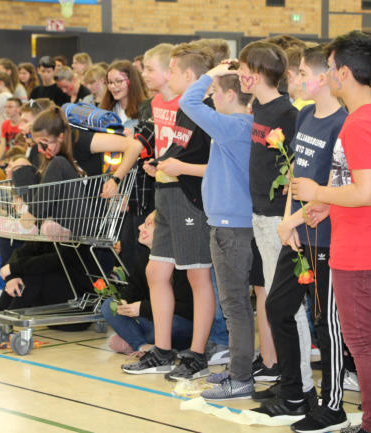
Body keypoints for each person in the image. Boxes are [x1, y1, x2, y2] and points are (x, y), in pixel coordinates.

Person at [290, 31, 371, 433]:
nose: (326, 76)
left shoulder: (360, 122)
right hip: (363, 239)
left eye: (330, 67)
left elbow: (366, 192)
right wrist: (327, 204)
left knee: (362, 342)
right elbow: (360, 187)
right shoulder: (369, 115)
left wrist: (317, 191)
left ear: (342, 73)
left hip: (359, 247)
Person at [252, 45, 351, 432]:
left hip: (325, 236)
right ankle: (295, 395)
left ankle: (332, 404)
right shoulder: (307, 114)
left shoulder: (342, 123)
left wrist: (294, 219)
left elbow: (331, 188)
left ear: (322, 78)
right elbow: (295, 174)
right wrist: (287, 220)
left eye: (302, 73)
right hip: (297, 233)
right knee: (277, 306)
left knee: (326, 324)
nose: (295, 79)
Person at [122, 43, 216, 380]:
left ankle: (198, 354)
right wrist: (159, 165)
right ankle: (162, 351)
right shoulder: (163, 106)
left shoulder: (203, 110)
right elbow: (174, 151)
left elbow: (214, 163)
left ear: (187, 75)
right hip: (165, 194)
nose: (146, 75)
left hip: (191, 198)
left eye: (163, 70)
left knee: (197, 276)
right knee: (156, 272)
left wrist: (178, 168)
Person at [174, 61, 253, 398]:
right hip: (226, 224)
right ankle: (238, 369)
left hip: (232, 228)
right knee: (234, 304)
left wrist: (211, 73)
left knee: (235, 305)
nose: (211, 99)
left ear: (231, 94)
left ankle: (242, 376)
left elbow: (187, 102)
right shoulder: (236, 125)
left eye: (216, 93)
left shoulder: (233, 125)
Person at [236, 40, 299, 382]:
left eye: (244, 69)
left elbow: (297, 164)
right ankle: (273, 363)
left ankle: (290, 373)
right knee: (265, 290)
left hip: (277, 215)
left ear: (258, 74)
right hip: (258, 211)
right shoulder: (257, 107)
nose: (240, 75)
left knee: (280, 297)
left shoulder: (287, 113)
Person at [102, 211, 193, 355]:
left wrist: (143, 308)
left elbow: (188, 309)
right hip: (152, 321)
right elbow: (133, 288)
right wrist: (123, 301)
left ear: (164, 232)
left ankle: (132, 340)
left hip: (179, 325)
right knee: (109, 305)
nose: (139, 227)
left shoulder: (183, 263)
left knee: (172, 325)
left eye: (147, 224)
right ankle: (142, 346)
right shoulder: (145, 257)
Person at [101, 60, 147, 133]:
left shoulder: (145, 110)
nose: (112, 86)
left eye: (118, 81)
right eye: (110, 82)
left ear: (131, 81)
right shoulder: (106, 111)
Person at [0, 97, 22, 166]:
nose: (7, 109)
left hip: (20, 158)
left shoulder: (23, 125)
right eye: (5, 107)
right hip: (8, 158)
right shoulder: (5, 124)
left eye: (10, 107)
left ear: (18, 109)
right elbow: (2, 146)